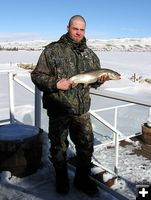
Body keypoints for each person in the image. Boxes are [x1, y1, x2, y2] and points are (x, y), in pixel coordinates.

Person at [31, 15, 109, 196]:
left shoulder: (91, 55)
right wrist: (55, 84)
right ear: (68, 27)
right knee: (58, 147)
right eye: (75, 28)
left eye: (82, 30)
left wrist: (100, 81)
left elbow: (92, 82)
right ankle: (61, 178)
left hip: (81, 111)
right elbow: (37, 75)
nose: (78, 32)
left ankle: (82, 179)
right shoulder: (52, 51)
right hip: (59, 108)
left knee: (86, 146)